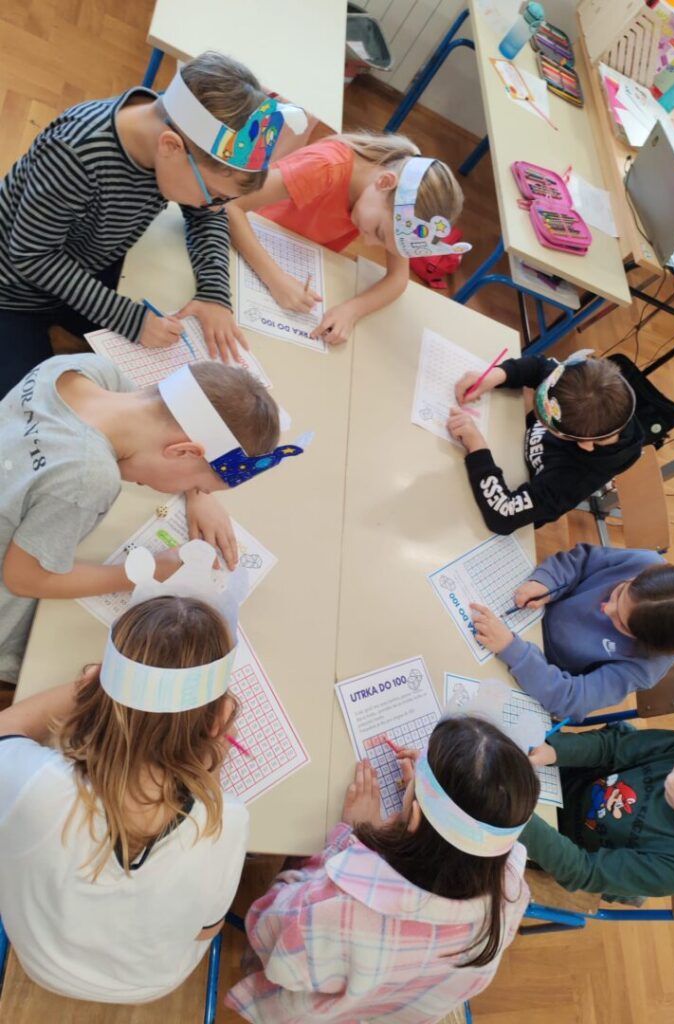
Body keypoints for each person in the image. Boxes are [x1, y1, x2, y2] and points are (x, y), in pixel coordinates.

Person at [0, 51, 309, 396]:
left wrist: (214, 293)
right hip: (14, 292)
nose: (216, 207)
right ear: (170, 147)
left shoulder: (179, 132)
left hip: (87, 267)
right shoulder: (75, 152)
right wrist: (129, 319)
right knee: (29, 404)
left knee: (158, 369)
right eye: (215, 194)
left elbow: (207, 215)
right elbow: (33, 257)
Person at [0, 591, 249, 1002]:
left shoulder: (38, 786)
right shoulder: (225, 822)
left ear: (101, 691)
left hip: (42, 961)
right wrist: (211, 772)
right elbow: (208, 930)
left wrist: (88, 690)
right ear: (216, 723)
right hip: (150, 985)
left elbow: (7, 727)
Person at [226, 713, 539, 1024]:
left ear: (414, 819)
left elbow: (265, 933)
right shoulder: (514, 894)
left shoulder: (339, 910)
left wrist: (351, 836)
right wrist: (426, 798)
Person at [0, 352, 281, 685]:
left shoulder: (80, 370)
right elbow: (24, 579)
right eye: (201, 485)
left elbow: (162, 417)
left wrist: (197, 494)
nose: (200, 491)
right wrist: (144, 572)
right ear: (184, 451)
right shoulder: (88, 478)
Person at [227, 133, 469, 345]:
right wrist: (276, 279)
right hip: (239, 243)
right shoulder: (325, 167)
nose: (371, 243)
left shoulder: (397, 212)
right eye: (379, 232)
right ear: (384, 182)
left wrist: (351, 310)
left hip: (288, 256)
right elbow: (230, 206)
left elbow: (398, 279)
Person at [470, 544, 674, 721]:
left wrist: (511, 650)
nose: (606, 609)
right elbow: (581, 561)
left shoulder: (645, 666)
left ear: (647, 643)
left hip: (530, 670)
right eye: (619, 592)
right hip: (527, 618)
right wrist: (547, 581)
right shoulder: (644, 562)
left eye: (622, 623)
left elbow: (570, 699)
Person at [523, 724, 674, 898]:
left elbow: (584, 870)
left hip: (550, 846)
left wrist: (520, 816)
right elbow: (611, 747)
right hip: (556, 779)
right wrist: (555, 751)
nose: (673, 780)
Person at [447, 350, 644, 534]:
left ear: (584, 444)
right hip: (510, 446)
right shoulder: (578, 384)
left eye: (547, 425)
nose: (539, 419)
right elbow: (539, 366)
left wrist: (477, 446)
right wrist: (495, 376)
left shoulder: (574, 479)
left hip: (514, 495)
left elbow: (503, 515)